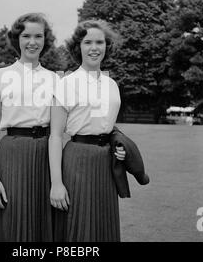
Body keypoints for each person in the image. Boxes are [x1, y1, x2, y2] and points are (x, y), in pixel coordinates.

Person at [48, 19, 126, 242]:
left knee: (104, 227)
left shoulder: (112, 85)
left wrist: (119, 148)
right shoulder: (66, 83)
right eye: (88, 42)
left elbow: (108, 127)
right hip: (77, 161)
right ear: (78, 47)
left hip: (106, 163)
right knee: (78, 228)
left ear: (106, 46)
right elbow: (55, 136)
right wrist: (56, 183)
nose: (94, 48)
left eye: (100, 42)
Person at [0, 13, 57, 242]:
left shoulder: (55, 79)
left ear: (45, 40)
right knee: (12, 224)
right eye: (26, 36)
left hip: (46, 155)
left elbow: (66, 128)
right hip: (12, 155)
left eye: (38, 36)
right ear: (17, 39)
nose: (32, 42)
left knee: (45, 226)